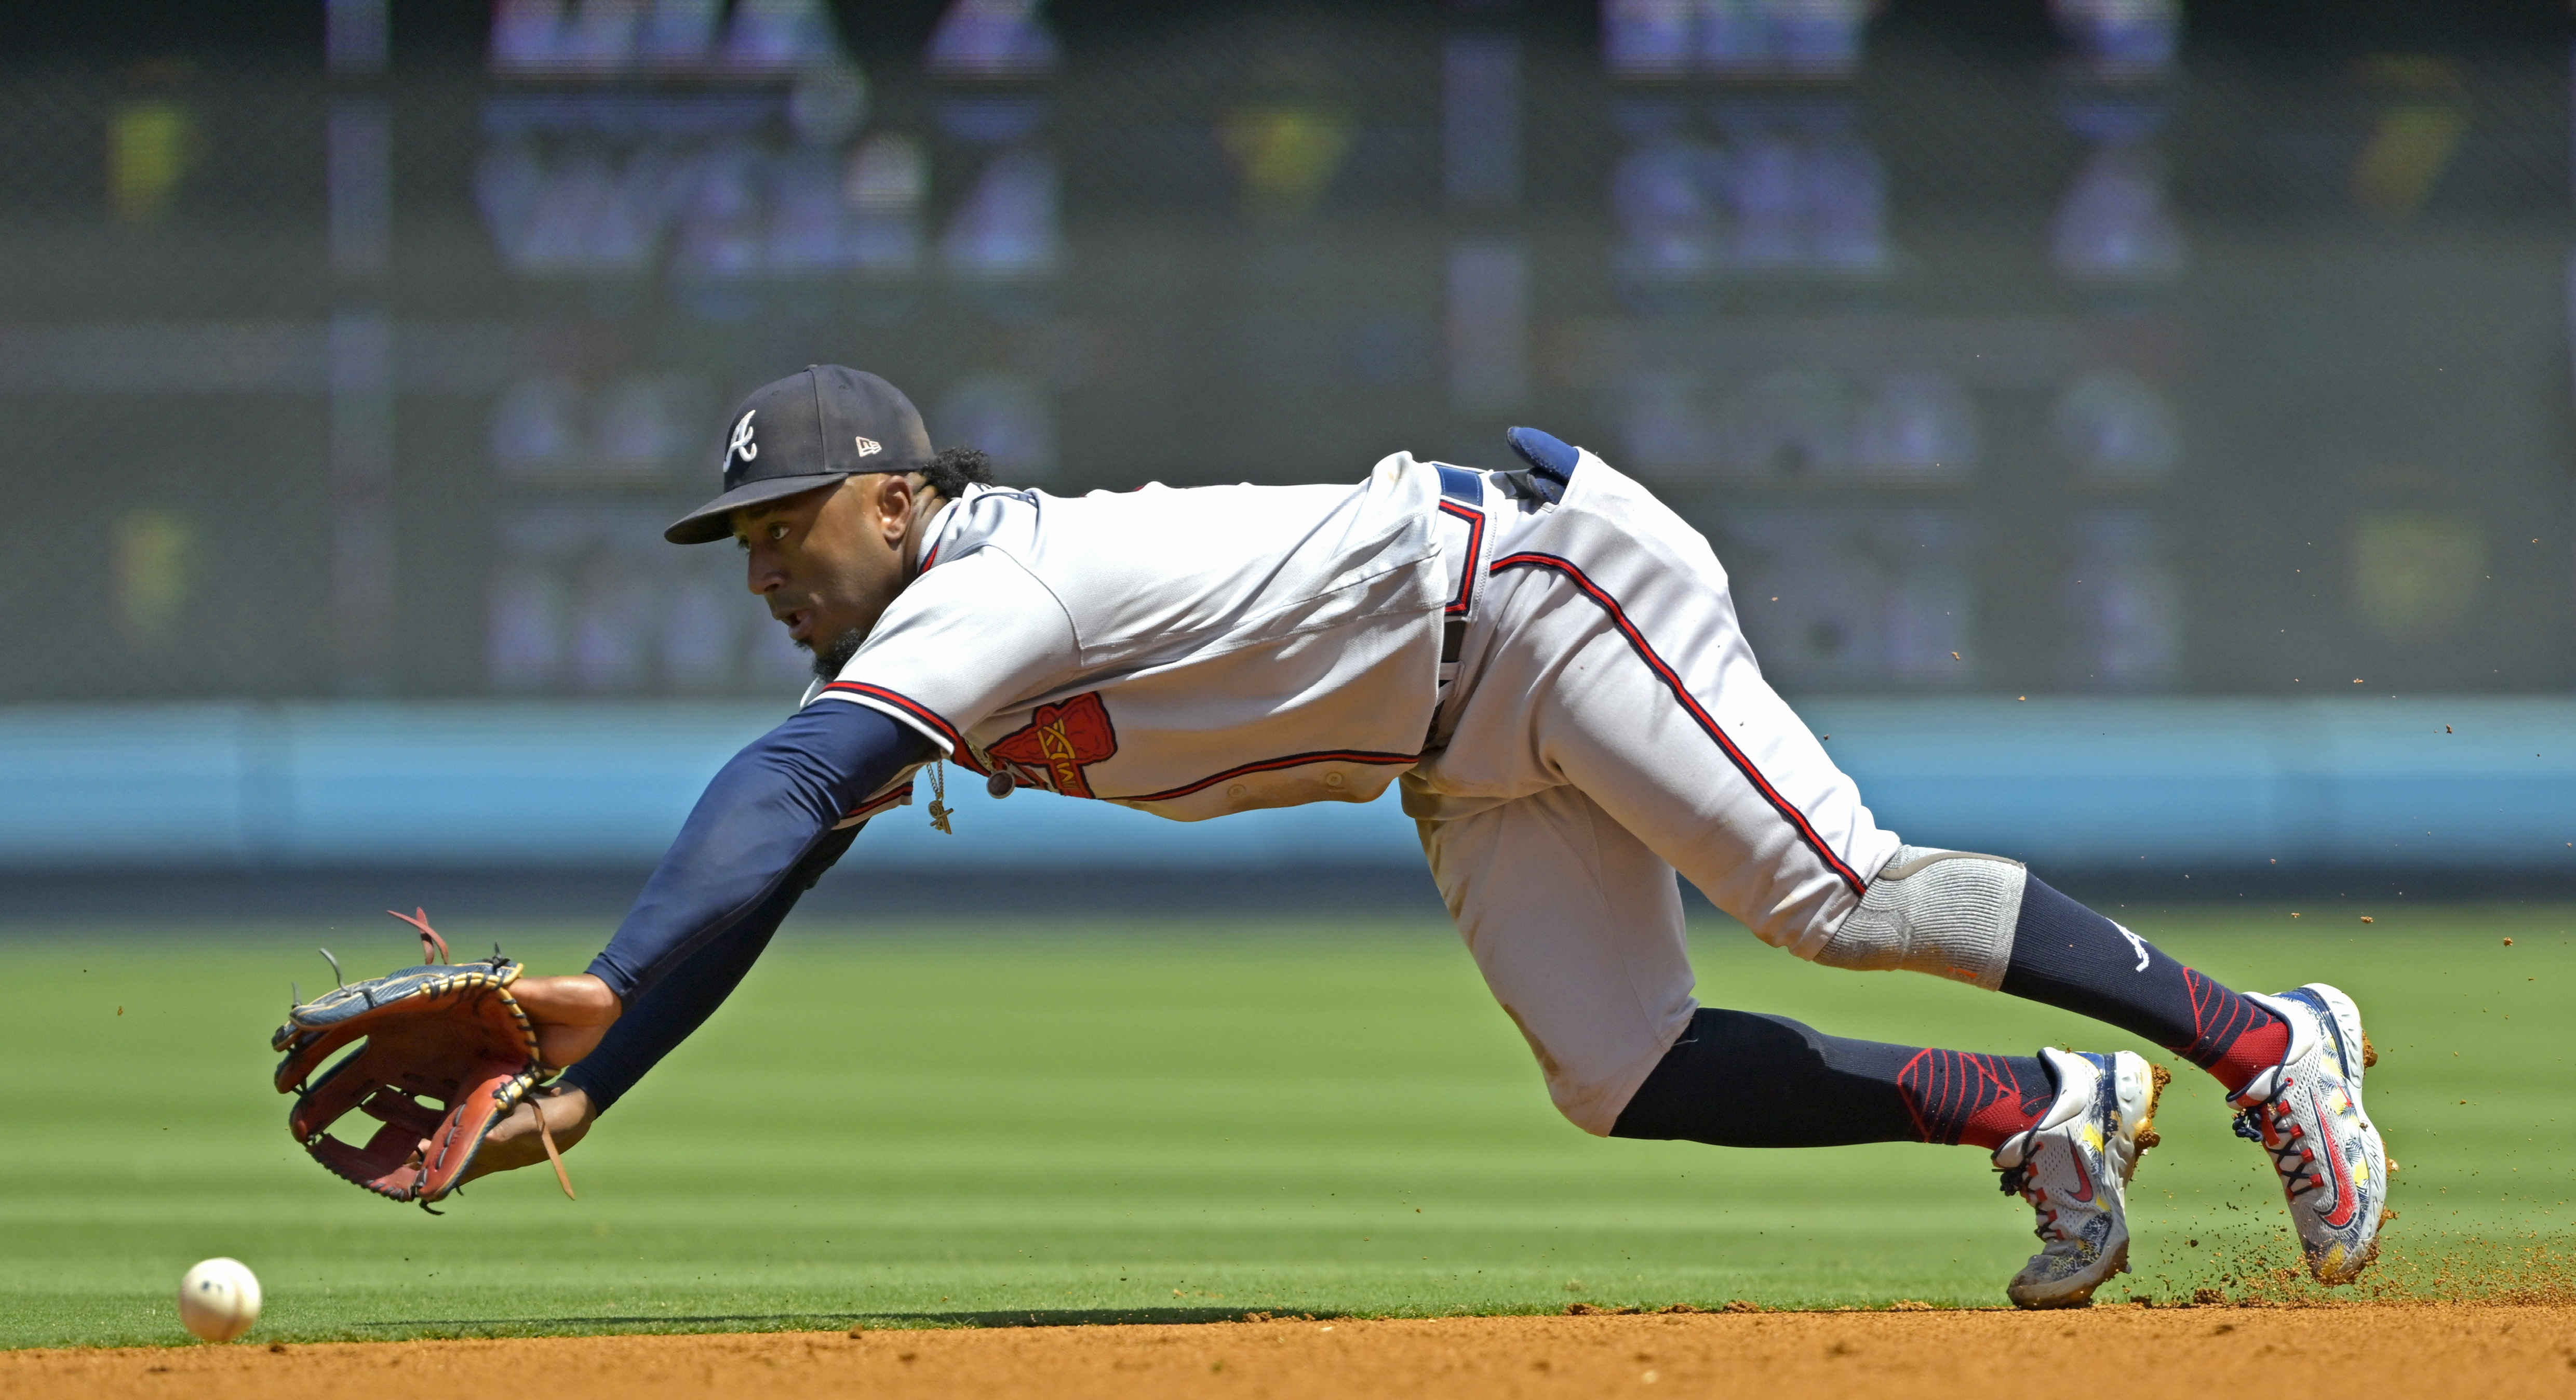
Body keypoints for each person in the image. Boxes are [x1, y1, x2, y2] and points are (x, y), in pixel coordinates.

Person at [490, 365, 2387, 1308]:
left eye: (789, 523)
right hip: (1456, 735)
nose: (764, 563)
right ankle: (2032, 1109)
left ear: (899, 500)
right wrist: (603, 1082)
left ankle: (2267, 1046)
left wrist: (617, 980)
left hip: (1540, 595)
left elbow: (786, 790)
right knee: (1615, 1070)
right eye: (743, 538)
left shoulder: (997, 592)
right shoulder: (942, 632)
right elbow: (794, 852)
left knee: (1832, 893)